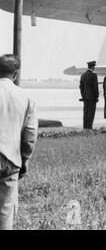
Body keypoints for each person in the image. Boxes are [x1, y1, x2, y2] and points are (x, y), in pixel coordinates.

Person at [0, 54, 38, 230]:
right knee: (5, 211)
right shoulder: (26, 98)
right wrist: (25, 159)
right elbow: (30, 135)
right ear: (15, 74)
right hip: (10, 160)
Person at [80, 61, 99, 130]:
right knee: (91, 112)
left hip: (85, 97)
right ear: (93, 67)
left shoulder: (83, 75)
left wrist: (83, 95)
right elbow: (95, 87)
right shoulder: (94, 75)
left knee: (86, 112)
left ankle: (85, 127)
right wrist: (96, 96)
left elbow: (81, 87)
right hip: (92, 97)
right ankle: (89, 127)